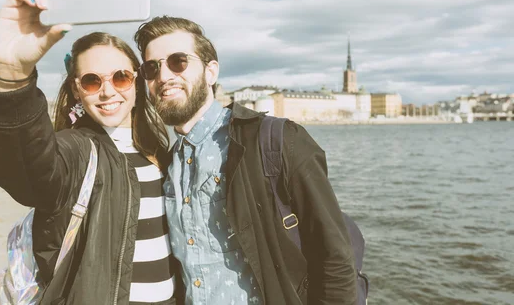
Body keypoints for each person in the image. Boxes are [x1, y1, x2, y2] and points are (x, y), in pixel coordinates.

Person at [0, 0, 181, 304]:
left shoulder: (159, 148)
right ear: (77, 90)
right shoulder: (75, 149)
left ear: (135, 82)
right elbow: (26, 170)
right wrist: (11, 76)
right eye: (92, 81)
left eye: (119, 77)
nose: (107, 92)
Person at [133, 16, 358, 304]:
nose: (164, 76)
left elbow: (336, 260)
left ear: (211, 71)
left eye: (178, 61)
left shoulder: (277, 141)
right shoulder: (167, 162)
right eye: (152, 68)